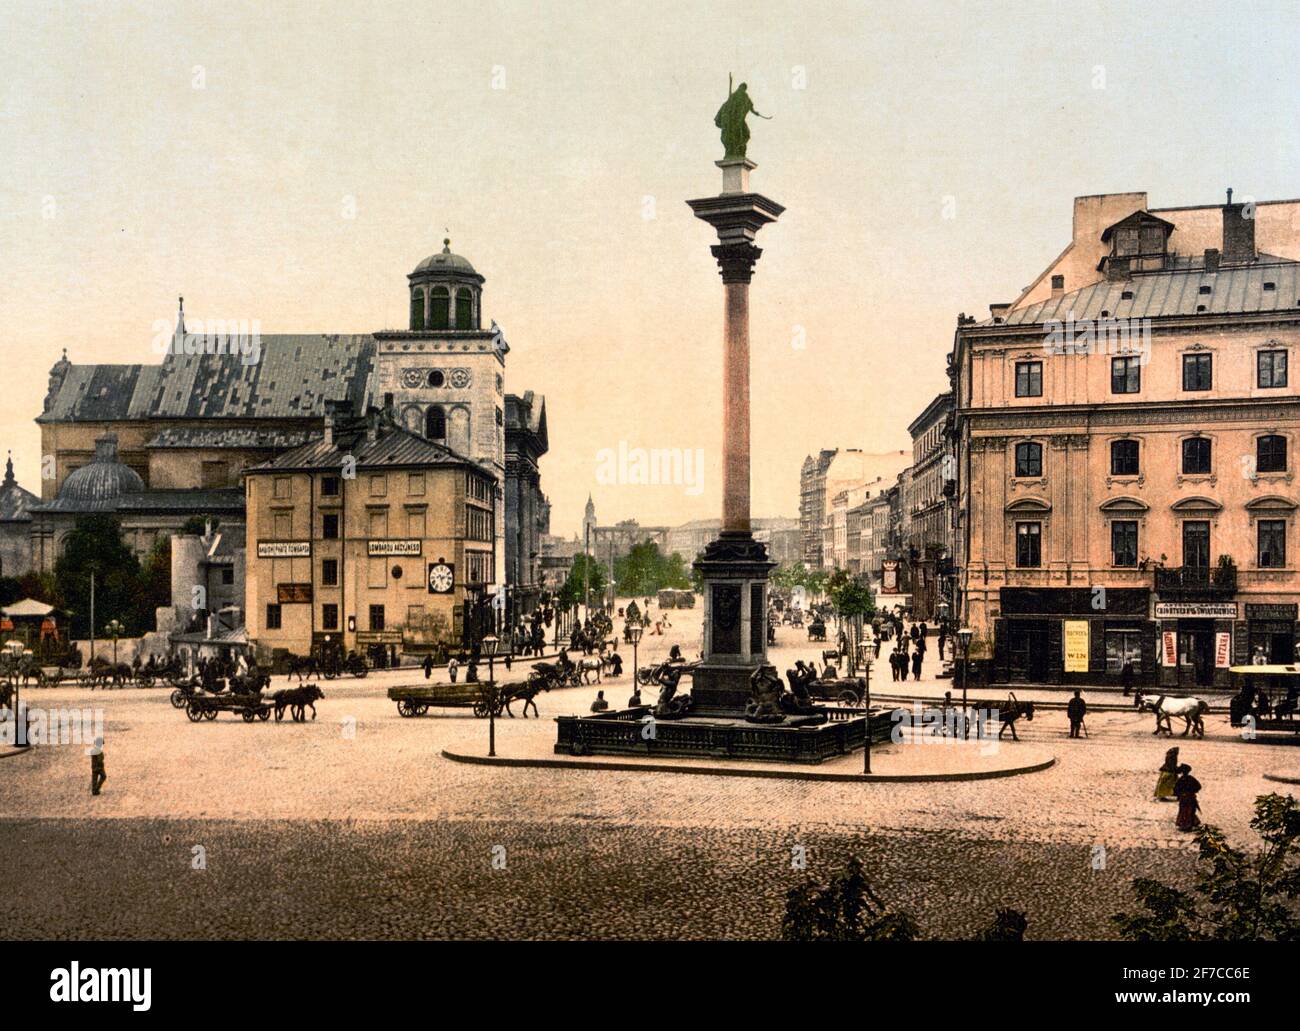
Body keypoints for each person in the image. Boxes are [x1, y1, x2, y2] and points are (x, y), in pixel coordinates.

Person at [1174, 763, 1201, 831]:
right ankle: (1193, 822)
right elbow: (1198, 786)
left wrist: (1179, 794)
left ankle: (1186, 824)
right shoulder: (1191, 778)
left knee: (1184, 811)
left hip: (1184, 798)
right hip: (1191, 797)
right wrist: (1193, 791)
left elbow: (1176, 789)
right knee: (1190, 810)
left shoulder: (1181, 780)